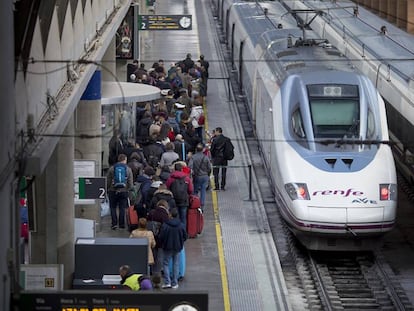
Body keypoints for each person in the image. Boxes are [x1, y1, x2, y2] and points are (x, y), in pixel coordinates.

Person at [158, 208, 187, 289]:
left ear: (170, 215)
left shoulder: (165, 225)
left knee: (166, 263)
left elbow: (161, 237)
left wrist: (162, 243)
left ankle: (167, 282)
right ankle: (175, 283)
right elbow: (185, 236)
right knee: (176, 264)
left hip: (167, 247)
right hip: (177, 247)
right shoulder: (181, 225)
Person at [106, 154, 133, 230]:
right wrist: (130, 189)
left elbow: (108, 181)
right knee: (122, 208)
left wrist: (107, 188)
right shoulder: (128, 169)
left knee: (113, 207)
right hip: (124, 191)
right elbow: (130, 182)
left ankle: (114, 224)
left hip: (113, 191)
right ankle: (121, 224)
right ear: (125, 160)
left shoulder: (112, 168)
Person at [166, 163, 193, 228]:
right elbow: (190, 190)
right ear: (181, 169)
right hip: (184, 200)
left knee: (175, 217)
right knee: (183, 218)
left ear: (174, 169)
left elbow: (167, 188)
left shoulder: (170, 178)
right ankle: (183, 233)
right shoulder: (187, 178)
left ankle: (176, 232)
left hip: (174, 200)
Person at [188, 143, 212, 209]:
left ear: (196, 149)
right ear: (203, 150)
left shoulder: (193, 157)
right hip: (204, 176)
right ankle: (202, 205)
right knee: (203, 190)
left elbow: (190, 166)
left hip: (197, 176)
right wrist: (208, 174)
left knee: (195, 190)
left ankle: (195, 204)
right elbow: (209, 168)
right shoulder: (205, 157)